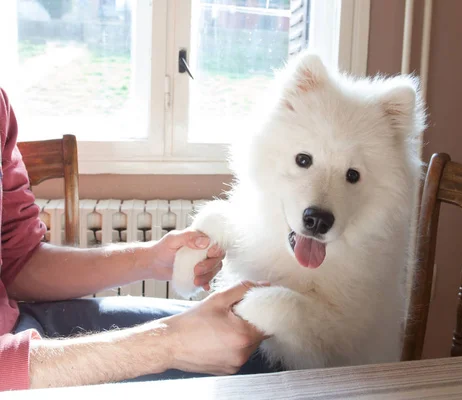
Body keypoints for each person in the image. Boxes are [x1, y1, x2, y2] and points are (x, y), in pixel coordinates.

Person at [0, 87, 274, 391]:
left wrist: (151, 259)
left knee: (260, 351)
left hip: (19, 326)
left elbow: (18, 262)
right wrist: (168, 344)